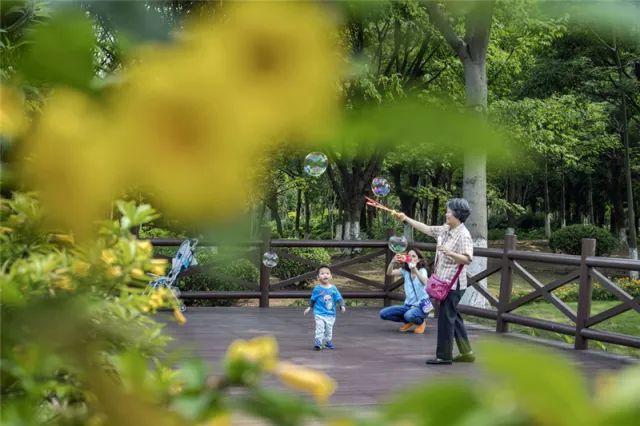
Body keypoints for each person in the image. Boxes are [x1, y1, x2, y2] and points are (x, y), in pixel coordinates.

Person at [394, 198, 476, 365]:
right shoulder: (446, 229)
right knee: (453, 316)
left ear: (457, 215)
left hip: (453, 285)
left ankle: (444, 356)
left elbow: (467, 259)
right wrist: (406, 219)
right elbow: (427, 229)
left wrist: (448, 252)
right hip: (443, 282)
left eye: (449, 211)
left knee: (446, 319)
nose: (446, 213)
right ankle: (467, 352)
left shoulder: (463, 235)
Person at [379, 248, 433, 334]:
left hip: (421, 306)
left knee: (409, 315)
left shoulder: (422, 270)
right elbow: (389, 273)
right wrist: (393, 261)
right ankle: (409, 321)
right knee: (383, 314)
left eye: (414, 256)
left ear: (418, 259)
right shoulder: (405, 271)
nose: (411, 258)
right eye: (409, 256)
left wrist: (414, 269)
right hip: (408, 305)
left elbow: (425, 281)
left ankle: (421, 322)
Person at [304, 265, 346, 350]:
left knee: (329, 329)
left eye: (327, 273)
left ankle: (328, 342)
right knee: (320, 327)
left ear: (331, 276)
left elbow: (339, 298)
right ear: (318, 277)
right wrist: (309, 308)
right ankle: (318, 343)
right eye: (322, 273)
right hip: (319, 313)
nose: (325, 275)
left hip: (330, 314)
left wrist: (342, 305)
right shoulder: (317, 289)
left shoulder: (333, 288)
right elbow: (313, 299)